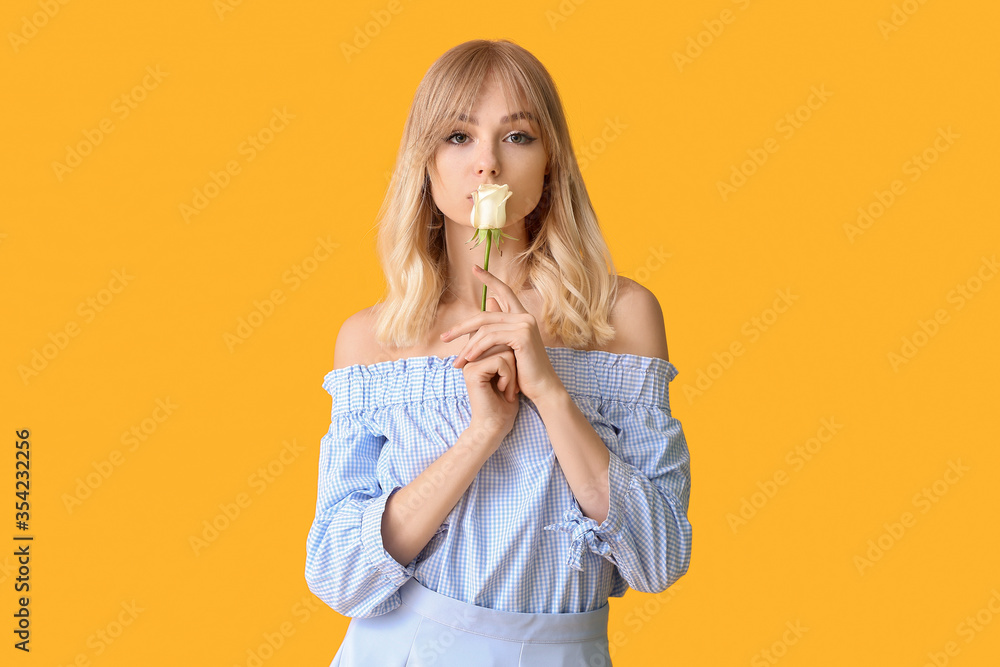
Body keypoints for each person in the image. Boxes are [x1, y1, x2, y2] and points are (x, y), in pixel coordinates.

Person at [305, 38, 692, 666]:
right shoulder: (373, 340)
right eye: (458, 136)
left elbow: (660, 559)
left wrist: (549, 392)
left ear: (551, 162)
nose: (487, 164)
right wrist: (482, 432)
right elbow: (339, 577)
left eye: (516, 137)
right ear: (424, 164)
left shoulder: (619, 318)